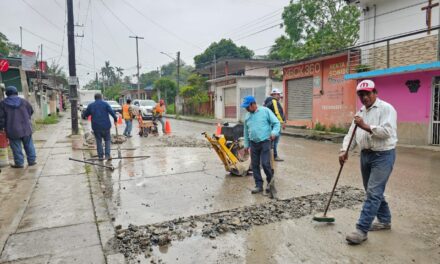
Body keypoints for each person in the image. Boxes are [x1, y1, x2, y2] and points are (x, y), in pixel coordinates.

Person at [339, 79, 397, 245]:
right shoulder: (360, 112)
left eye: (367, 93)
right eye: (361, 94)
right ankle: (385, 220)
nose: (364, 97)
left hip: (383, 155)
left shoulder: (386, 109)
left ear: (375, 93)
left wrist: (365, 126)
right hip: (366, 156)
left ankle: (361, 230)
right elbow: (351, 134)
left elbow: (387, 132)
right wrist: (344, 151)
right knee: (373, 191)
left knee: (373, 192)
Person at [241, 95, 280, 194]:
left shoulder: (265, 111)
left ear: (253, 104)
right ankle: (258, 185)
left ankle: (270, 183)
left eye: (247, 106)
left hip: (265, 141)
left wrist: (274, 133)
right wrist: (246, 145)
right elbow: (245, 131)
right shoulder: (247, 116)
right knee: (254, 165)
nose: (246, 109)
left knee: (266, 164)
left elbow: (276, 123)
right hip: (253, 143)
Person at [0, 86, 36, 168]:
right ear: (16, 92)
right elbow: (31, 111)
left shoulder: (2, 104)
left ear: (6, 93)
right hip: (26, 128)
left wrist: (2, 128)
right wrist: (26, 118)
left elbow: (1, 118)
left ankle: (19, 163)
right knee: (29, 144)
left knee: (16, 147)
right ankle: (32, 161)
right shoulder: (24, 101)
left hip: (12, 129)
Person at [82, 93, 117, 161]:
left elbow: (85, 115)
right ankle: (107, 155)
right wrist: (115, 119)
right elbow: (112, 112)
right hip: (106, 126)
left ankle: (100, 157)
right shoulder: (105, 104)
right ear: (101, 97)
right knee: (107, 140)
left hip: (96, 127)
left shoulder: (91, 105)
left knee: (99, 141)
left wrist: (84, 115)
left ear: (95, 98)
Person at [263, 88, 286, 161]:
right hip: (275, 125)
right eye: (278, 94)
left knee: (271, 142)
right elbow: (277, 113)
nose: (279, 96)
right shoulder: (274, 101)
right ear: (274, 94)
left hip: (270, 125)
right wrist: (282, 122)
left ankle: (269, 156)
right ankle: (274, 156)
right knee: (274, 142)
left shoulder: (268, 103)